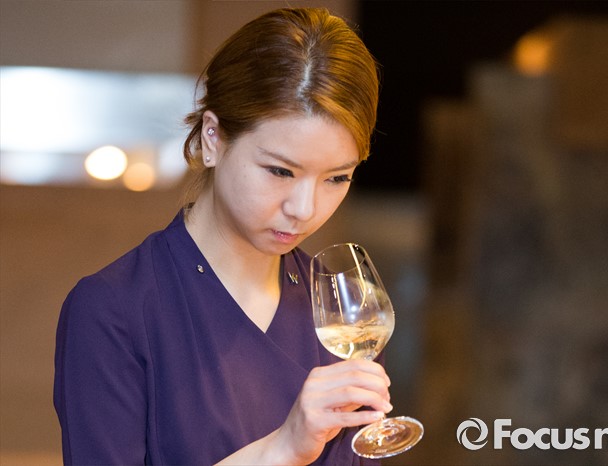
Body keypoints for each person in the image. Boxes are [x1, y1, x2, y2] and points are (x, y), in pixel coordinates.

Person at [54, 7, 390, 465]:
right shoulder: (115, 311)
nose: (305, 209)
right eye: (280, 171)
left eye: (337, 177)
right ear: (212, 138)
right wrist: (283, 448)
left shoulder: (345, 318)